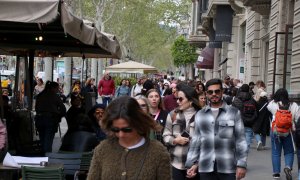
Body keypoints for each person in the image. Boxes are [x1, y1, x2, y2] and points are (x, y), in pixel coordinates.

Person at [87, 96, 171, 180]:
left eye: (127, 129)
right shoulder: (102, 149)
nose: (121, 134)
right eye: (115, 129)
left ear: (138, 123)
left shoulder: (158, 152)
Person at [186, 78, 248, 180]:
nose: (214, 94)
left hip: (228, 167)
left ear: (222, 92)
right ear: (206, 94)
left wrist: (241, 164)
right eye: (210, 92)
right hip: (206, 167)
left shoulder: (234, 113)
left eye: (217, 91)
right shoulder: (200, 115)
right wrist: (192, 163)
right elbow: (196, 141)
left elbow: (241, 140)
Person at [163, 83, 200, 180]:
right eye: (177, 99)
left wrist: (197, 164)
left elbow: (208, 143)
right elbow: (165, 135)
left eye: (181, 99)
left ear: (191, 101)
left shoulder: (202, 116)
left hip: (196, 165)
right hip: (176, 164)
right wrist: (175, 140)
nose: (178, 102)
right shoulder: (172, 114)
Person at [267, 88, 299, 179]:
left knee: (276, 152)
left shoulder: (273, 104)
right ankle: (288, 167)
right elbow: (297, 118)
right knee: (289, 151)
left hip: (275, 131)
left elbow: (268, 107)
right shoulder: (293, 105)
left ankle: (276, 173)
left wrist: (274, 99)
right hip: (288, 131)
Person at [35, 81, 66, 153]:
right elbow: (63, 109)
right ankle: (47, 157)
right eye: (57, 88)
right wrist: (59, 116)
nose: (58, 90)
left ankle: (42, 155)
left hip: (39, 119)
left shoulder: (40, 95)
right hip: (50, 119)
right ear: (53, 88)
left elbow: (36, 108)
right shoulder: (54, 96)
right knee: (48, 140)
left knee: (42, 139)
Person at [232, 84, 258, 152]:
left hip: (238, 123)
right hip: (249, 124)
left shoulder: (236, 100)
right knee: (247, 143)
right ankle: (243, 157)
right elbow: (256, 112)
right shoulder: (252, 100)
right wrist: (253, 120)